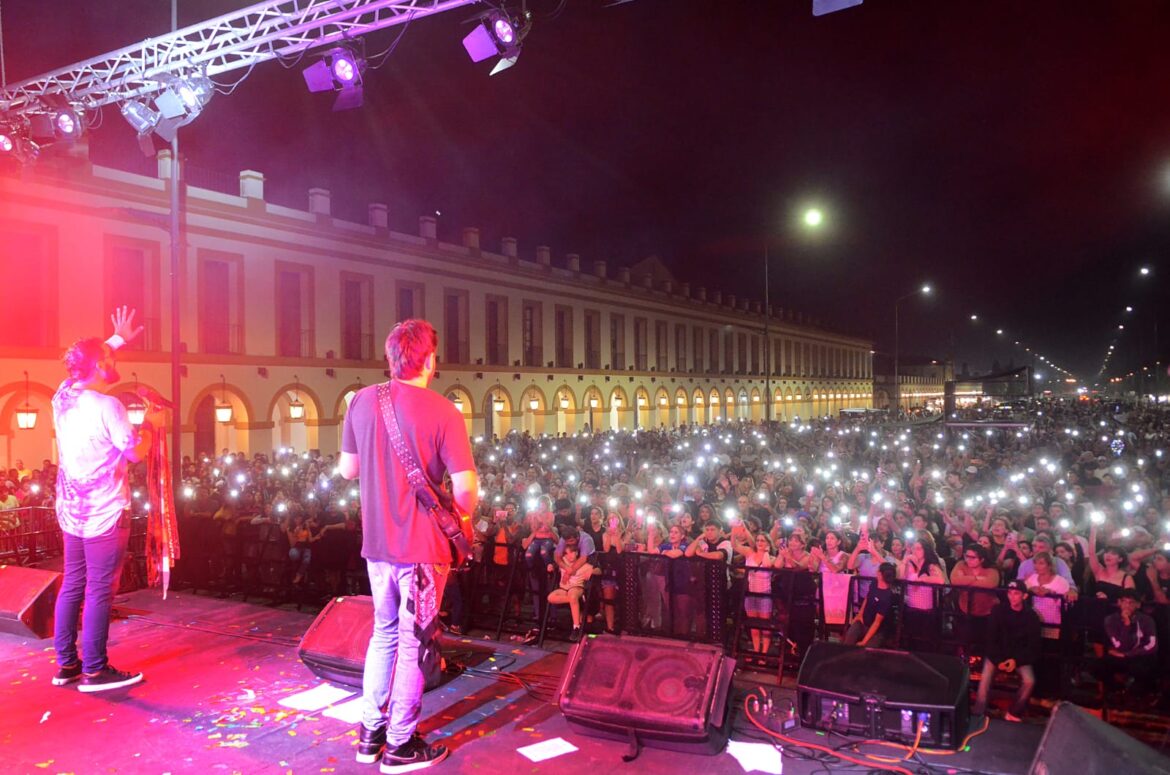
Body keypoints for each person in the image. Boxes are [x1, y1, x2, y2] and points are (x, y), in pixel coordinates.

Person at [340, 319, 478, 773]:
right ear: (430, 360)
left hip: (377, 544)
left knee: (383, 634)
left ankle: (370, 735)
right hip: (421, 548)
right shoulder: (444, 411)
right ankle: (400, 745)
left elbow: (347, 470)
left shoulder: (361, 400)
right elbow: (465, 489)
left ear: (391, 358)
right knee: (414, 642)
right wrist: (459, 522)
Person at [51, 307, 153, 693]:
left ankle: (67, 664)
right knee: (98, 589)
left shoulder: (62, 397)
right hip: (106, 514)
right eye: (110, 358)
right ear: (98, 365)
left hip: (72, 511)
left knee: (73, 584)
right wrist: (152, 427)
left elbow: (82, 365)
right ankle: (95, 670)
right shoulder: (109, 406)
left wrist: (117, 339)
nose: (115, 362)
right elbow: (135, 453)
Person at [971, 581, 1042, 721]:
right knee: (985, 680)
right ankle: (978, 713)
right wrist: (998, 661)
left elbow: (1034, 647)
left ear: (1024, 596)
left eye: (1016, 593)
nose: (1012, 597)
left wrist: (1016, 660)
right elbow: (990, 639)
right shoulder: (998, 611)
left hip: (1018, 657)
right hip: (998, 655)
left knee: (1029, 681)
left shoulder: (1031, 616)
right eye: (1010, 593)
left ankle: (1014, 712)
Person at [1098, 589, 1159, 701]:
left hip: (1140, 655)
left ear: (1138, 605)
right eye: (1124, 601)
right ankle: (1118, 690)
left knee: (1144, 668)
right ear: (1119, 603)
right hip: (1122, 654)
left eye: (1131, 602)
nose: (1127, 605)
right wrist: (1126, 625)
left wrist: (1129, 654)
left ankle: (1141, 693)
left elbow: (1152, 645)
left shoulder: (1147, 620)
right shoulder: (1110, 620)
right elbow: (1120, 645)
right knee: (1098, 667)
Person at [547, 543, 594, 641]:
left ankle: (576, 627)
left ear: (576, 553)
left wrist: (593, 571)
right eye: (567, 553)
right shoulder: (563, 561)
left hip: (577, 587)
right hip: (564, 588)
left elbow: (598, 570)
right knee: (551, 597)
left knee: (573, 594)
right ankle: (576, 605)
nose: (569, 556)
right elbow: (555, 563)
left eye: (572, 553)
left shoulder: (583, 564)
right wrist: (551, 566)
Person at [843, 562, 897, 648]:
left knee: (867, 649)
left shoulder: (886, 597)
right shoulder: (874, 583)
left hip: (877, 631)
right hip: (863, 622)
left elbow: (877, 622)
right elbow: (867, 598)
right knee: (848, 639)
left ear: (880, 574)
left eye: (878, 570)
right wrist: (860, 615)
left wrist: (864, 642)